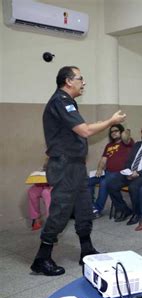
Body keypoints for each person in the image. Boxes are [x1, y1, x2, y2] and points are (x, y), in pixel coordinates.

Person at [31, 66, 126, 276]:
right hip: (65, 166)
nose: (84, 82)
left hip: (75, 165)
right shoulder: (60, 101)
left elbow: (80, 129)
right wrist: (111, 121)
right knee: (60, 211)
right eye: (80, 78)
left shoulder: (68, 102)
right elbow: (84, 130)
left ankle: (87, 250)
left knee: (84, 208)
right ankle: (42, 258)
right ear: (68, 81)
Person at [107, 125, 142, 225]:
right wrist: (128, 171)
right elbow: (129, 160)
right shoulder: (137, 144)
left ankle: (137, 213)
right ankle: (124, 209)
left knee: (133, 187)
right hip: (131, 172)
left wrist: (137, 173)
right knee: (111, 184)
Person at [88, 124, 134, 218]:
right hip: (107, 173)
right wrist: (99, 169)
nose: (113, 133)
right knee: (87, 181)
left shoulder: (127, 143)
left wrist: (126, 132)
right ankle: (90, 207)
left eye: (116, 131)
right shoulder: (109, 145)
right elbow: (103, 159)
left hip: (121, 174)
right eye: (112, 132)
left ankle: (97, 209)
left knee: (105, 182)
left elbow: (126, 138)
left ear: (121, 132)